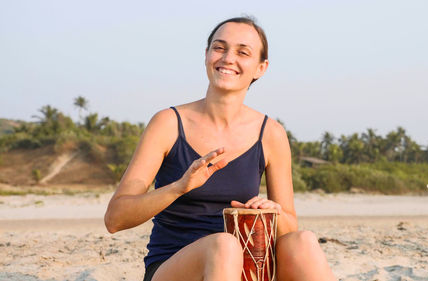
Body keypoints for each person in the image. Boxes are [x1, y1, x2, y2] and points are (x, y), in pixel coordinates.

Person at [104, 16, 337, 281]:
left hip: (245, 271)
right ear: (206, 55)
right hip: (173, 269)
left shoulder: (271, 133)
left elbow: (289, 228)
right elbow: (115, 219)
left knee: (303, 241)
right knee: (224, 245)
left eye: (242, 52)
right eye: (219, 47)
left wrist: (273, 212)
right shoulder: (168, 123)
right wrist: (179, 187)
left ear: (261, 67)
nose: (227, 58)